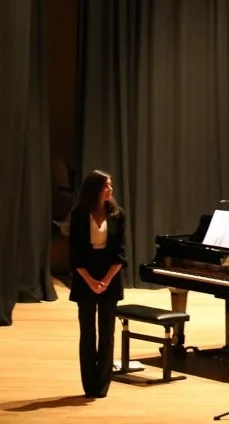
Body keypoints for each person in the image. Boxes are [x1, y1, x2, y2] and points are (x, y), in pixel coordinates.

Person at [68, 169, 127, 398]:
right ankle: (88, 384)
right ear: (95, 190)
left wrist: (105, 280)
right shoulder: (79, 214)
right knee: (87, 333)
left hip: (110, 276)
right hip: (85, 277)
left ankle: (101, 385)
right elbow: (75, 255)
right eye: (106, 186)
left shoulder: (117, 214)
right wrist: (92, 281)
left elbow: (120, 253)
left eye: (110, 185)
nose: (110, 189)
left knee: (107, 333)